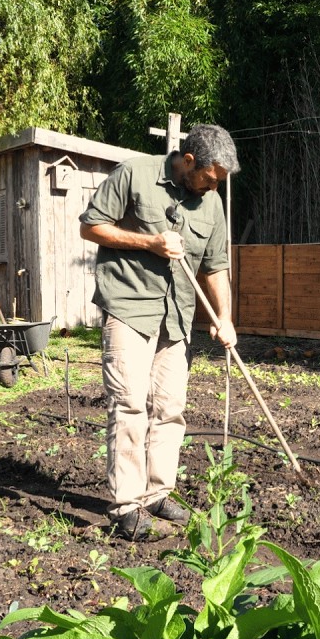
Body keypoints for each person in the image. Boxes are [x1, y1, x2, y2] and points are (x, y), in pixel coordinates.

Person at [79, 124, 239, 541]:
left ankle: (156, 494)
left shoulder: (212, 203)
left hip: (178, 317)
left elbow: (216, 266)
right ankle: (126, 507)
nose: (213, 185)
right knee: (130, 405)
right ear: (189, 162)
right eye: (209, 176)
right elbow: (91, 226)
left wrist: (225, 317)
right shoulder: (134, 174)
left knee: (169, 409)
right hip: (130, 308)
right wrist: (149, 243)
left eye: (219, 180)